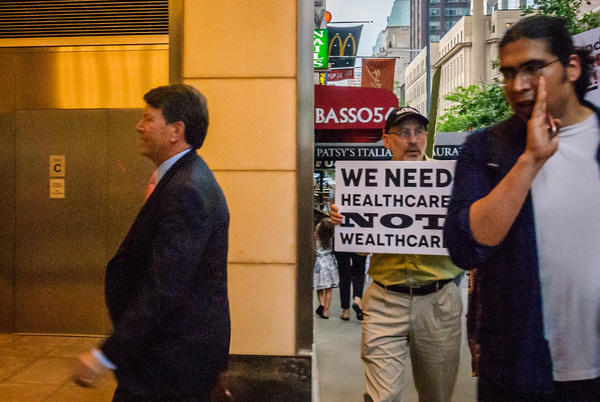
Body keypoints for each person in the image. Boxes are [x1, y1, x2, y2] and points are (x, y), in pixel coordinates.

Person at [444, 15, 600, 401]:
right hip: (518, 370)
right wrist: (530, 160)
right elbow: (467, 246)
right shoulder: (486, 148)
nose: (518, 85)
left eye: (533, 68)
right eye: (509, 73)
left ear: (572, 67)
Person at [72, 84, 231, 401]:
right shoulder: (185, 177)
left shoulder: (186, 190)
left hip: (169, 363)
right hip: (171, 357)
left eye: (148, 118)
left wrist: (105, 356)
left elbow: (165, 288)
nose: (139, 126)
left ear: (176, 131)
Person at [331, 106, 464, 402]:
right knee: (382, 397)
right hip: (385, 300)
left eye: (418, 132)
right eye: (404, 133)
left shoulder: (452, 181)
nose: (413, 140)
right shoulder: (367, 182)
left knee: (436, 396)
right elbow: (360, 247)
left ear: (426, 137)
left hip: (438, 303)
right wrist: (344, 221)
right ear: (387, 140)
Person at [314, 219, 340, 319]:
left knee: (319, 287)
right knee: (328, 289)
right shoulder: (331, 237)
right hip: (329, 263)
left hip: (319, 263)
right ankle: (325, 311)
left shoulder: (316, 237)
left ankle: (322, 303)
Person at [335, 251, 366, 321]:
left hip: (342, 246)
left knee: (344, 274)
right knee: (359, 270)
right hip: (359, 246)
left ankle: (346, 311)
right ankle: (357, 299)